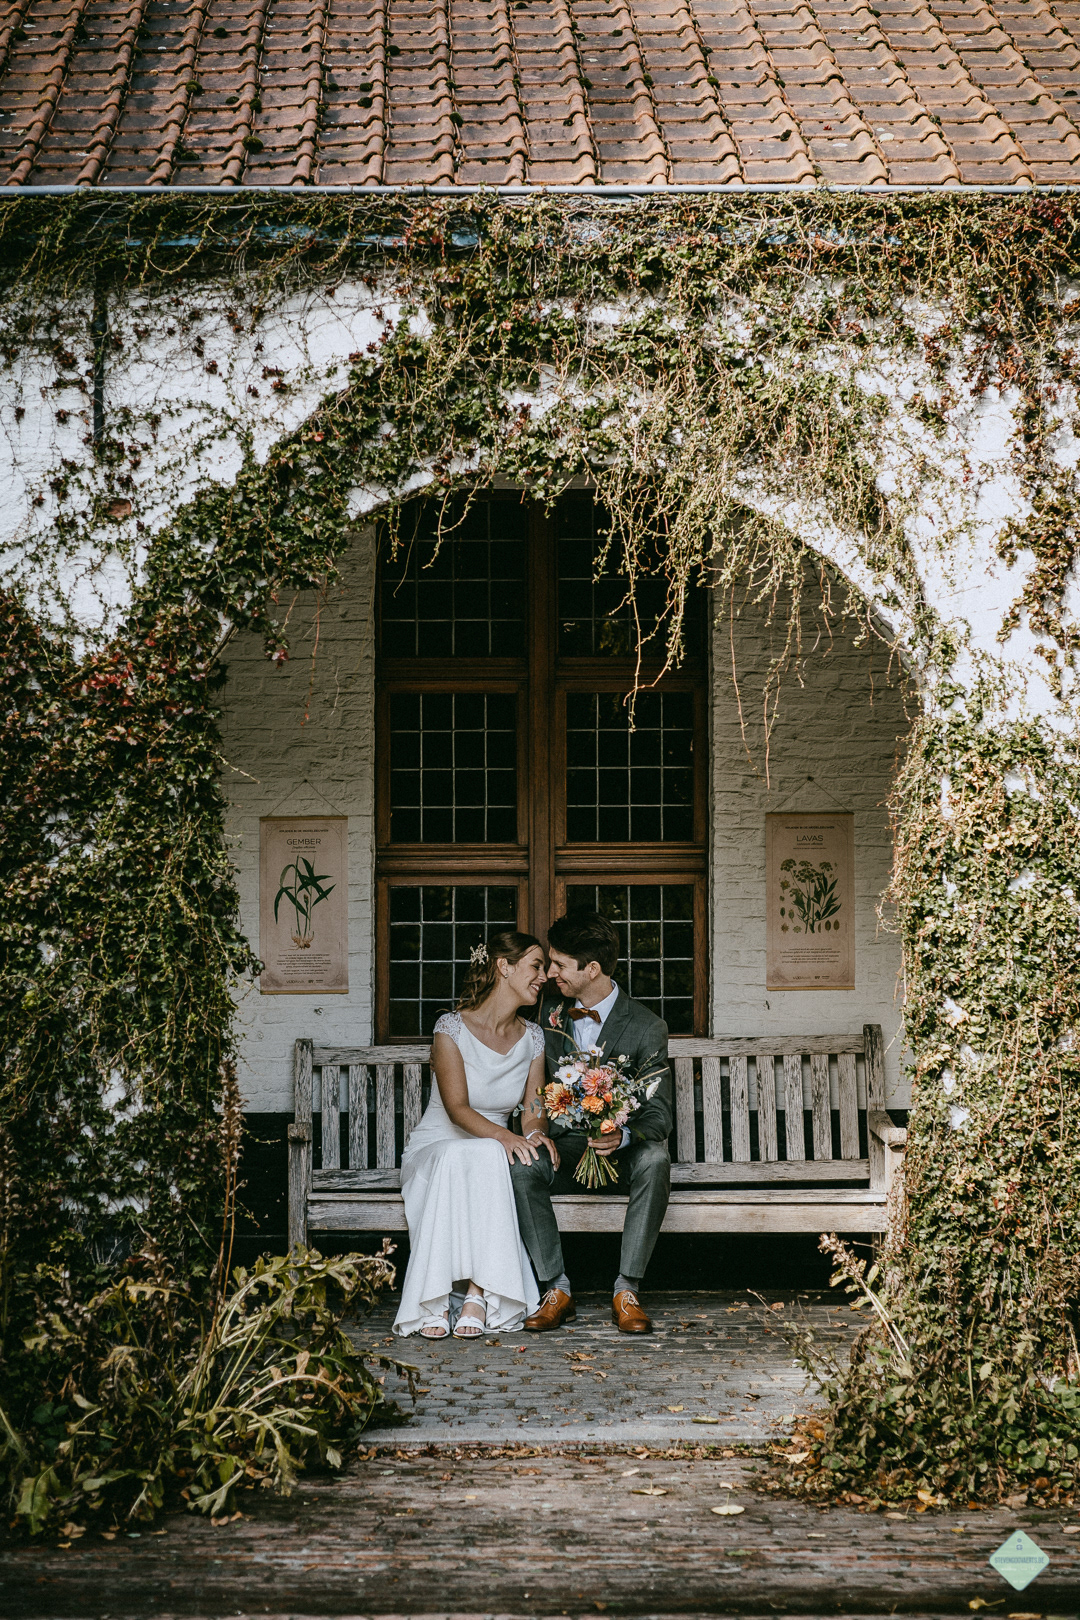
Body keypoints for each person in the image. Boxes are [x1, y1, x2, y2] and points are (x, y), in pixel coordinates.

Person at [392, 930, 559, 1339]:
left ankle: (477, 1293)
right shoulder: (451, 1028)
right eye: (536, 966)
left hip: (489, 1152)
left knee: (488, 1155)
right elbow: (457, 1109)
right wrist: (506, 1138)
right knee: (479, 1153)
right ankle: (432, 1298)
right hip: (438, 1146)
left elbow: (533, 1109)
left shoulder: (533, 1038)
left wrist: (535, 1133)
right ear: (504, 967)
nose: (544, 977)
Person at [511, 911, 672, 1334]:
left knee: (655, 1160)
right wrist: (535, 1132)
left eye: (560, 965)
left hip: (620, 1156)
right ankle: (556, 1289)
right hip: (564, 1150)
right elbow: (532, 1091)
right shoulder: (544, 1016)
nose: (550, 974)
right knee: (522, 1165)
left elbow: (659, 1112)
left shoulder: (647, 1026)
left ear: (592, 969)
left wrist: (622, 1135)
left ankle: (627, 1290)